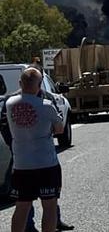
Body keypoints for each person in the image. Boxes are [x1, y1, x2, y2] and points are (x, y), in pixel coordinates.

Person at [0, 70, 75, 232]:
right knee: (49, 206)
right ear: (40, 86)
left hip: (21, 164)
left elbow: (5, 126)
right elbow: (60, 129)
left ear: (20, 84)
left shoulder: (9, 104)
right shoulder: (47, 106)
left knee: (21, 207)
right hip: (46, 163)